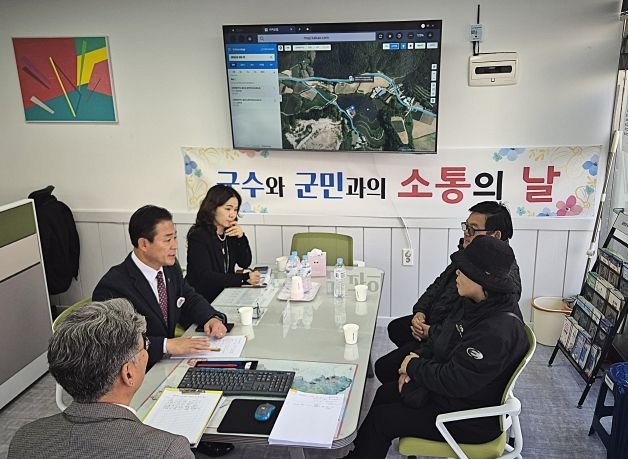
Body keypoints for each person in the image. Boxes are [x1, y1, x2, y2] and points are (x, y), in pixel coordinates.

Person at [342, 236, 530, 458]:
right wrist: (415, 358)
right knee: (384, 393)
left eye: (464, 270)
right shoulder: (475, 304)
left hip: (471, 417)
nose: (457, 273)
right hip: (456, 395)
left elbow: (455, 381)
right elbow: (443, 337)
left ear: (483, 280)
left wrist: (412, 367)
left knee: (382, 420)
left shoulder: (497, 331)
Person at [8, 299, 194, 459]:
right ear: (128, 373)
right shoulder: (168, 451)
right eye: (145, 344)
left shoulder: (23, 439)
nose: (146, 350)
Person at [375, 201, 522, 383]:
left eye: (473, 229)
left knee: (385, 368)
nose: (466, 233)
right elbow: (438, 285)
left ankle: (410, 376)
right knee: (396, 328)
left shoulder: (501, 283)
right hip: (438, 328)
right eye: (465, 226)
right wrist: (420, 311)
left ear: (495, 235)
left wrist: (431, 335)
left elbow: (465, 328)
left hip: (448, 340)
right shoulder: (468, 254)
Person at [93, 205, 228, 368]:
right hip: (137, 370)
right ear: (143, 244)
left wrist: (211, 318)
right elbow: (115, 342)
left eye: (175, 238)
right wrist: (165, 345)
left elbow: (189, 298)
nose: (175, 246)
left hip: (168, 363)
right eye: (167, 240)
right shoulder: (113, 286)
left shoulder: (170, 268)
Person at [186, 184, 260, 304]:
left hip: (226, 294)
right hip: (203, 300)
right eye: (228, 209)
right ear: (212, 208)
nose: (232, 214)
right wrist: (244, 278)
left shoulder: (230, 232)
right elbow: (206, 276)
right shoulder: (198, 236)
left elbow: (245, 263)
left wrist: (241, 238)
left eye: (235, 210)